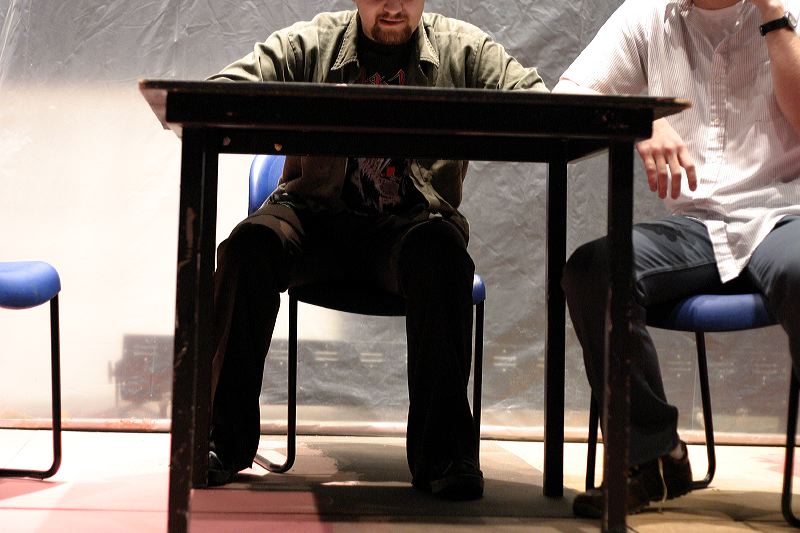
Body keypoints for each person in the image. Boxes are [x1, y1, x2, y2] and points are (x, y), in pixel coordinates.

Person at [205, 0, 547, 500]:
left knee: (442, 256)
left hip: (408, 230)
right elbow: (218, 94)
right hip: (314, 219)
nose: (392, 5)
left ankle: (445, 457)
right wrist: (288, 113)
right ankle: (219, 441)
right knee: (247, 249)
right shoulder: (312, 44)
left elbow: (538, 104)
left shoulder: (463, 50)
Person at [555, 0, 800, 517]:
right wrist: (640, 119)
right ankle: (652, 458)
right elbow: (569, 95)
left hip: (783, 213)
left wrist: (775, 17)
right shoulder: (648, 14)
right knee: (594, 271)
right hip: (697, 225)